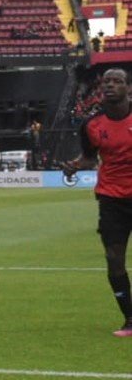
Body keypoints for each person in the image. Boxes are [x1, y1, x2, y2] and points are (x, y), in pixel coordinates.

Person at [62, 67, 132, 336]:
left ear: (128, 88)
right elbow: (90, 158)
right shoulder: (91, 125)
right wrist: (75, 165)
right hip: (112, 198)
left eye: (118, 81)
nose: (111, 86)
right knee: (114, 258)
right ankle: (129, 318)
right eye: (107, 82)